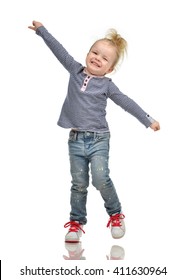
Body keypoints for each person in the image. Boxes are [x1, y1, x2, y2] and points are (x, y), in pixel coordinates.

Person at [28, 21, 160, 243]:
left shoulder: (107, 85)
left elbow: (127, 103)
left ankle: (116, 215)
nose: (97, 58)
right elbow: (59, 50)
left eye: (104, 58)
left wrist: (148, 120)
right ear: (88, 53)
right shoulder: (75, 69)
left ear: (110, 69)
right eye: (95, 52)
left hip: (99, 139)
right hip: (76, 139)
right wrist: (42, 31)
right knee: (78, 183)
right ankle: (76, 223)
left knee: (100, 179)